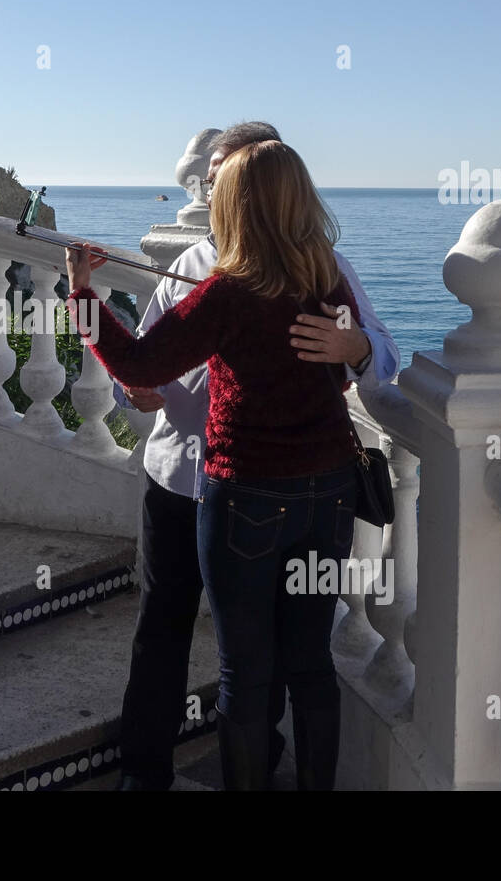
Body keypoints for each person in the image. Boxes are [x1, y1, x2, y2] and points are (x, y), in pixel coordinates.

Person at [66, 139, 383, 790]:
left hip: (247, 499)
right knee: (312, 664)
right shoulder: (327, 275)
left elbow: (140, 361)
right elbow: (348, 379)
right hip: (328, 496)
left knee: (247, 672)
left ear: (238, 203)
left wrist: (81, 292)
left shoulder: (227, 290)